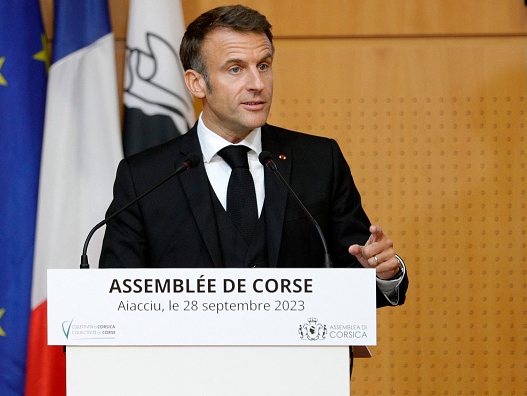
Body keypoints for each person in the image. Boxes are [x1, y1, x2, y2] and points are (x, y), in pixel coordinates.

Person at [99, 5, 408, 308]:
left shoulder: (318, 161)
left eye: (263, 65)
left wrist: (381, 273)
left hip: (300, 357)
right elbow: (116, 300)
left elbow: (356, 267)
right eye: (235, 69)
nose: (258, 84)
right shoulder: (145, 177)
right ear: (197, 83)